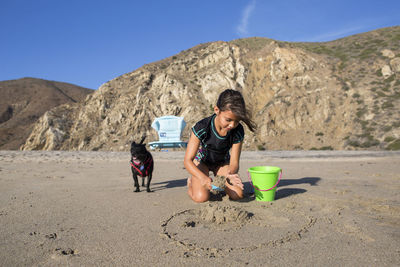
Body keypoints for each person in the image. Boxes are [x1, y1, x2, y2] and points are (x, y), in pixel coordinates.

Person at [184, 89, 256, 202]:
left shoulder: (238, 131)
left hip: (222, 163)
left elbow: (234, 163)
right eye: (228, 120)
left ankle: (219, 182)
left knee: (238, 194)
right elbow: (188, 161)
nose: (232, 125)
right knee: (201, 198)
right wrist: (202, 177)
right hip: (202, 162)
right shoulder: (201, 127)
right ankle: (191, 184)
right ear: (217, 110)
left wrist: (231, 174)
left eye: (237, 121)